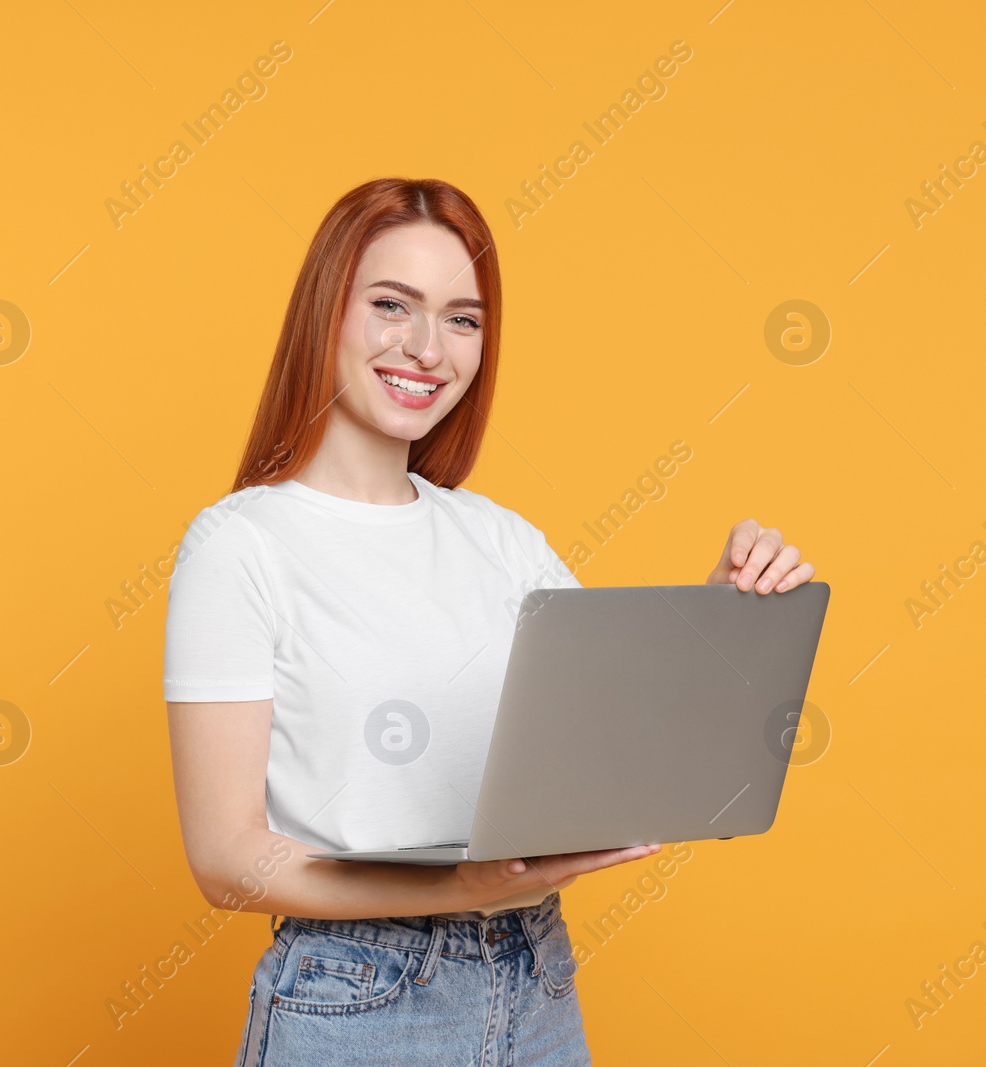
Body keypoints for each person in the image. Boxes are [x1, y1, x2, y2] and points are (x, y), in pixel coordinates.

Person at [163, 177, 817, 1066]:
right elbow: (226, 859)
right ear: (327, 311)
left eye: (463, 319)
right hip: (359, 1000)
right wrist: (460, 883)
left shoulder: (501, 540)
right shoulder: (240, 545)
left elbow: (616, 738)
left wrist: (725, 609)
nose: (427, 348)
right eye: (393, 305)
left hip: (536, 977)